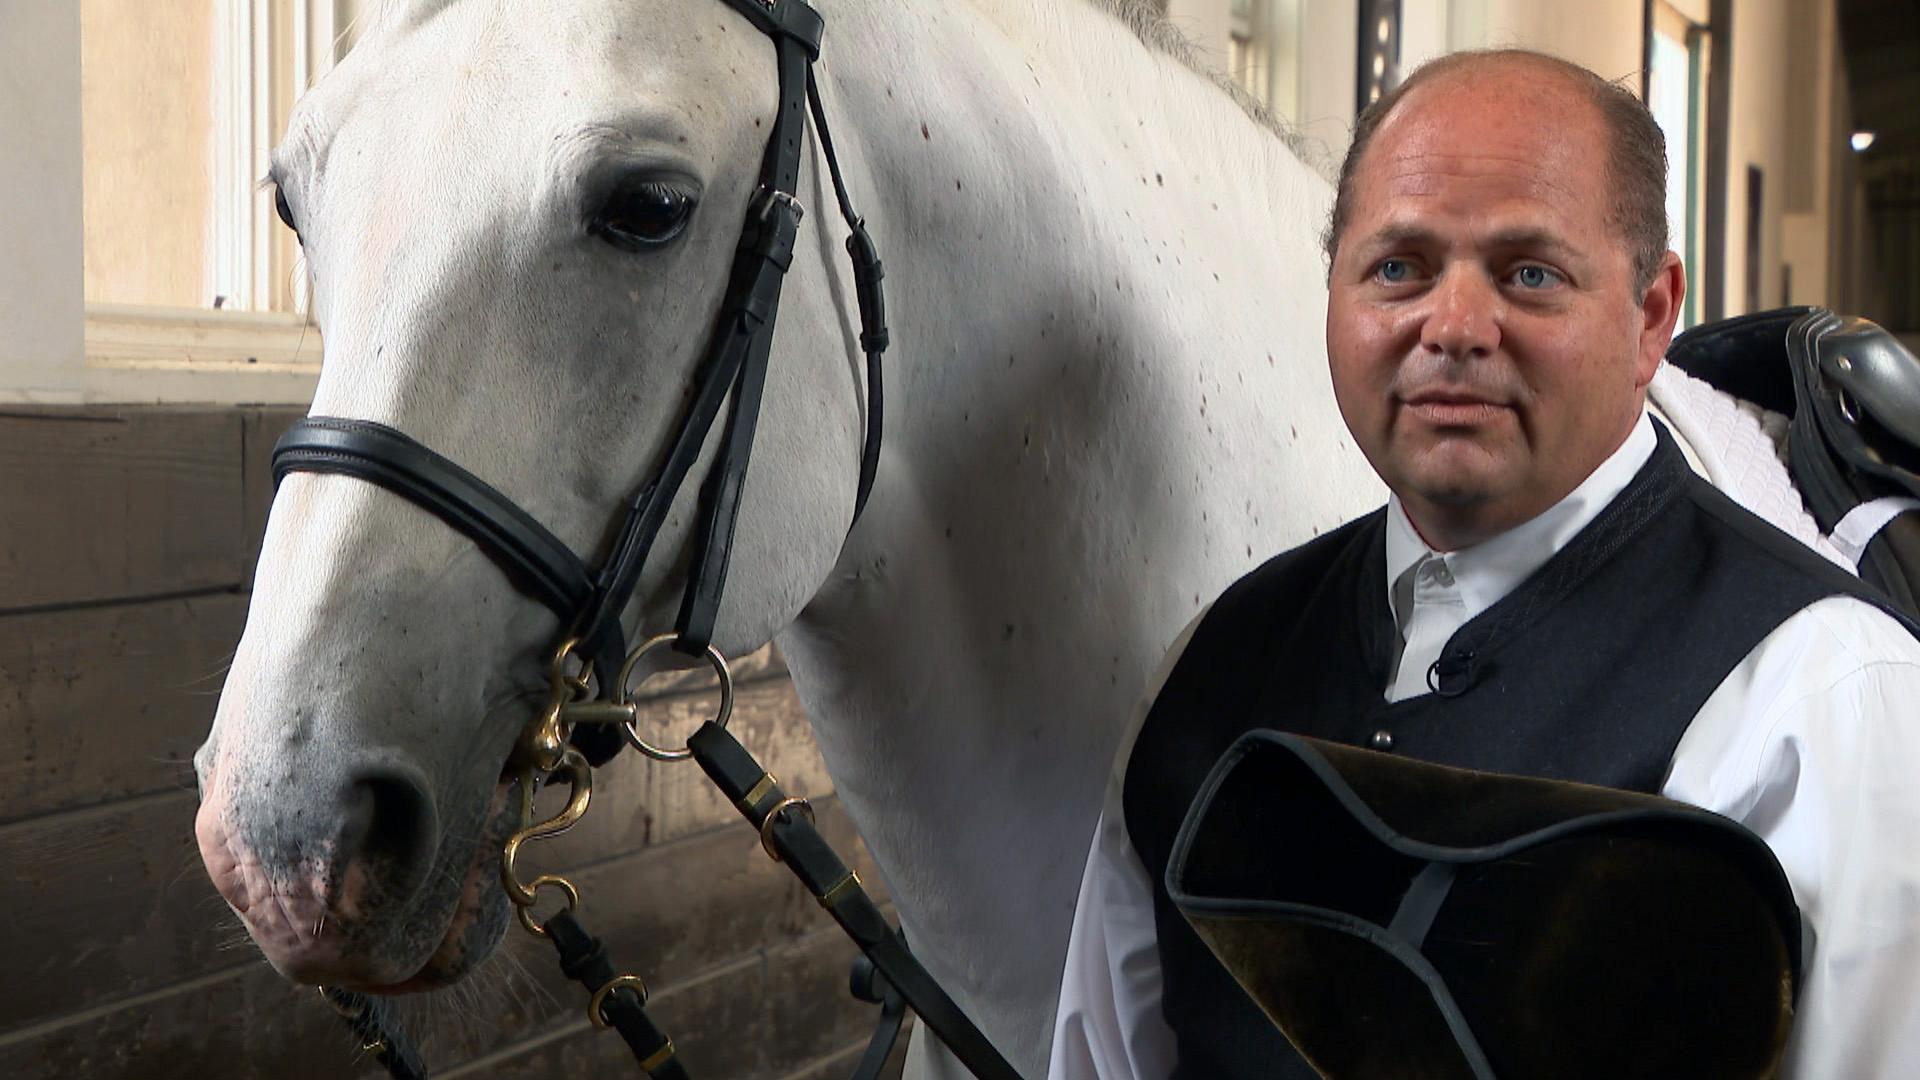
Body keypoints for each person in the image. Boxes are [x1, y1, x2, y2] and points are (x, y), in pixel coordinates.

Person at [1047, 48, 1920, 1079]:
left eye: (1530, 273)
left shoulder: (1818, 696)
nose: (1454, 328)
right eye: (1399, 268)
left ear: (1650, 315)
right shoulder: (1213, 666)